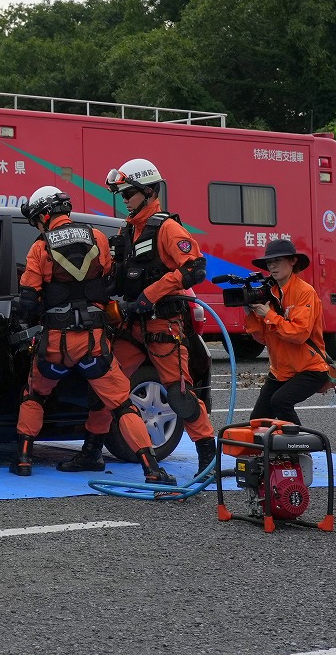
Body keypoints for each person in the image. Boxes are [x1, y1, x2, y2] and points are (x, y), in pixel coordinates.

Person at [11, 186, 175, 485]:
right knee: (121, 404)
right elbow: (111, 281)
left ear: (44, 215)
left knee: (35, 393)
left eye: (36, 221)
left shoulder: (41, 247)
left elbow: (28, 300)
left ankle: (23, 459)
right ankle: (152, 469)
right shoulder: (97, 237)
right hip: (94, 342)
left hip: (56, 343)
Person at [105, 158, 218, 476]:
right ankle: (91, 449)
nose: (125, 200)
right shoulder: (127, 230)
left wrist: (150, 295)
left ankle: (208, 457)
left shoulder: (168, 228)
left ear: (148, 191)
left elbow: (195, 268)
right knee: (107, 382)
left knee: (180, 395)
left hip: (162, 324)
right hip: (131, 325)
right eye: (122, 195)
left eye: (128, 193)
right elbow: (115, 274)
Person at [244, 238, 334, 423]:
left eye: (278, 260)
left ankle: (300, 441)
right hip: (281, 371)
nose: (272, 266)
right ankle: (281, 442)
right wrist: (251, 313)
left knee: (280, 401)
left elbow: (299, 334)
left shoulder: (305, 292)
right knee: (258, 420)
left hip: (311, 368)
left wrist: (269, 314)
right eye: (269, 262)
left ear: (293, 261)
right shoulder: (269, 293)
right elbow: (263, 338)